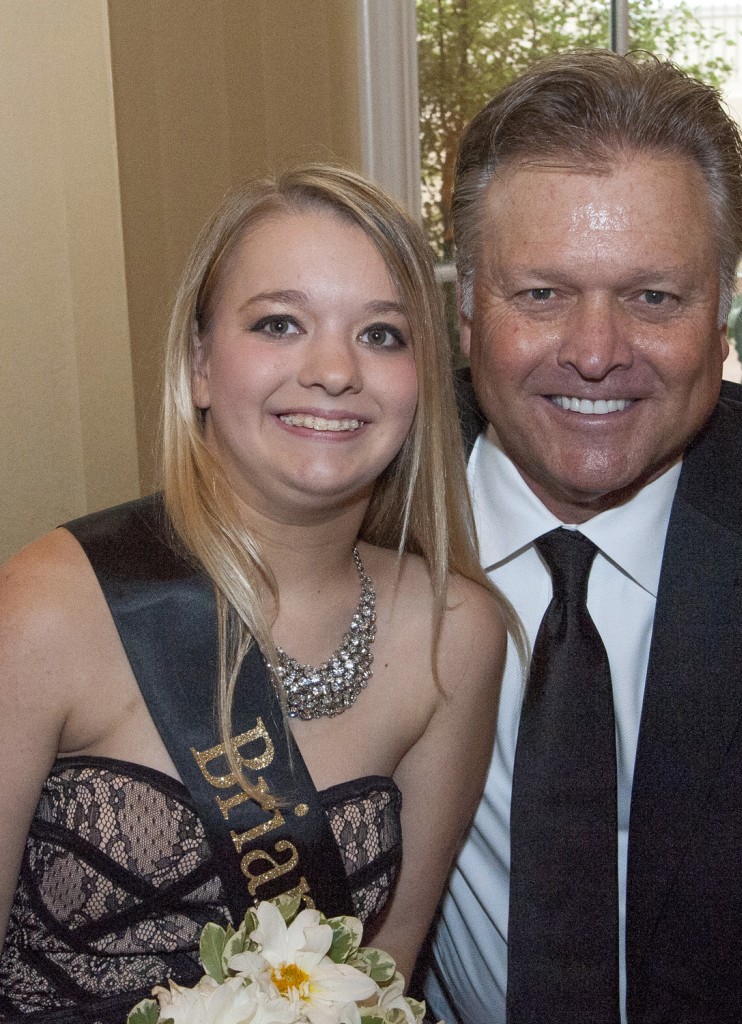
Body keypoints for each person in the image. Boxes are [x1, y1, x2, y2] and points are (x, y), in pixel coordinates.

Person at [425, 49, 742, 1024]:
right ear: (465, 309)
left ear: (720, 312)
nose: (595, 352)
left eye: (653, 297)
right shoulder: (356, 513)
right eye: (540, 293)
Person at [0, 165, 507, 1021]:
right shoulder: (47, 611)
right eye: (279, 323)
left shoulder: (455, 635)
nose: (334, 370)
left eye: (382, 335)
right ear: (200, 364)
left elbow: (386, 973)